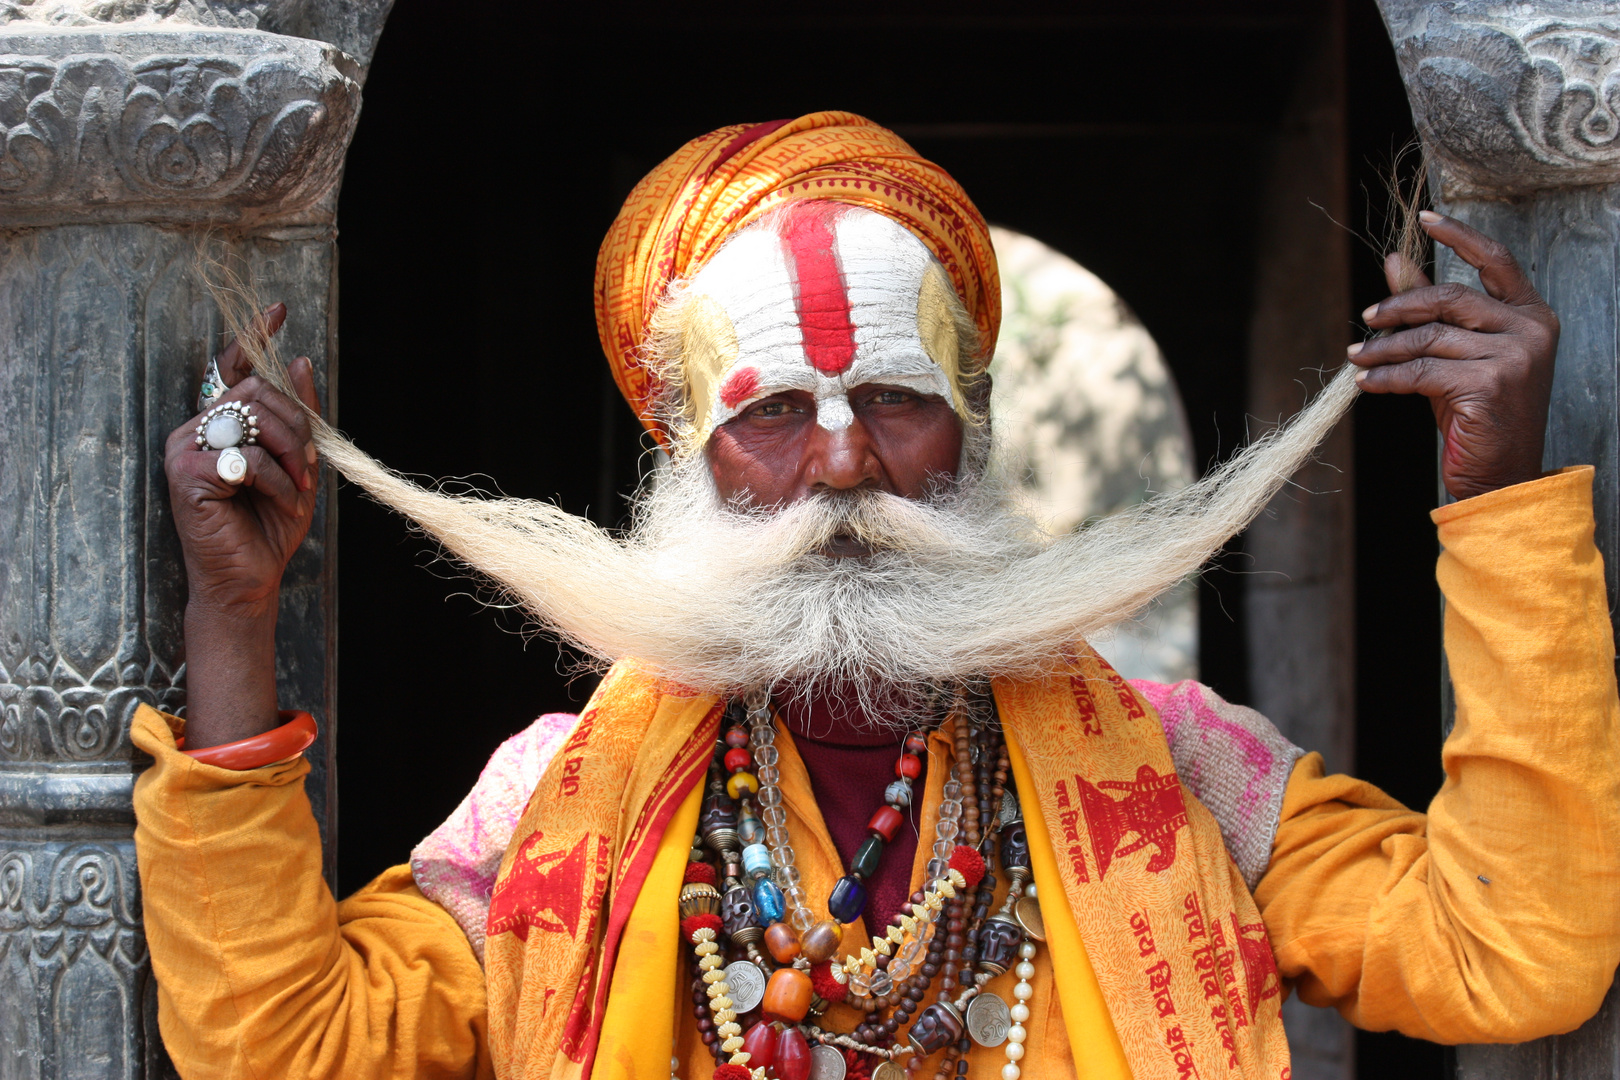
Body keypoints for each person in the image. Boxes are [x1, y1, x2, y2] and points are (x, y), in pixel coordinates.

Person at [132, 112, 1620, 1080]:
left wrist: (1498, 506)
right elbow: (280, 1046)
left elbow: (1513, 951)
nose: (843, 459)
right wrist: (233, 619)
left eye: (895, 398)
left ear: (972, 423)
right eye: (772, 411)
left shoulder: (1172, 769)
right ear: (685, 455)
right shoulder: (556, 805)